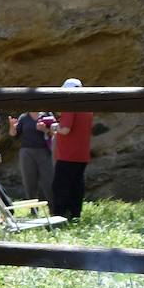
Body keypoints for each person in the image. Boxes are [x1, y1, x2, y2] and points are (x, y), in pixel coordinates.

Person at [50, 78, 94, 220]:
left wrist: (54, 126)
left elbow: (65, 129)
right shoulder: (87, 108)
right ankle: (75, 215)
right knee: (77, 186)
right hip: (82, 154)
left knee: (60, 187)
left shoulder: (70, 105)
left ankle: (59, 216)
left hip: (67, 154)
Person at [9, 108, 55, 203]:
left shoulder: (47, 115)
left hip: (44, 152)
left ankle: (54, 208)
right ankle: (33, 209)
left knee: (49, 181)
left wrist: (45, 130)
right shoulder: (23, 117)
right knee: (29, 182)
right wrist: (12, 126)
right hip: (27, 153)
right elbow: (14, 135)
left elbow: (55, 132)